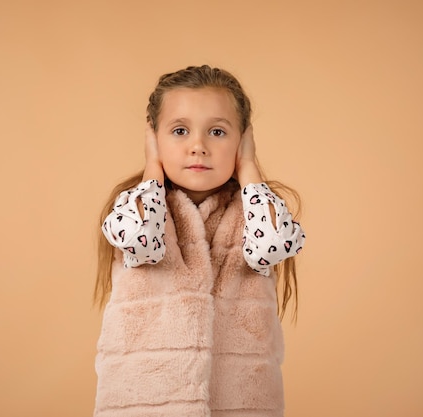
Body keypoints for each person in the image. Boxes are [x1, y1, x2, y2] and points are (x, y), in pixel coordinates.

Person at [93, 65, 306, 417]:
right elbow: (140, 238)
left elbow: (274, 243)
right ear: (154, 138)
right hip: (143, 405)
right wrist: (152, 168)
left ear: (243, 139)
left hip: (242, 404)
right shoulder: (137, 207)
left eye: (218, 132)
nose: (198, 147)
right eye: (179, 131)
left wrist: (249, 167)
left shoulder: (256, 211)